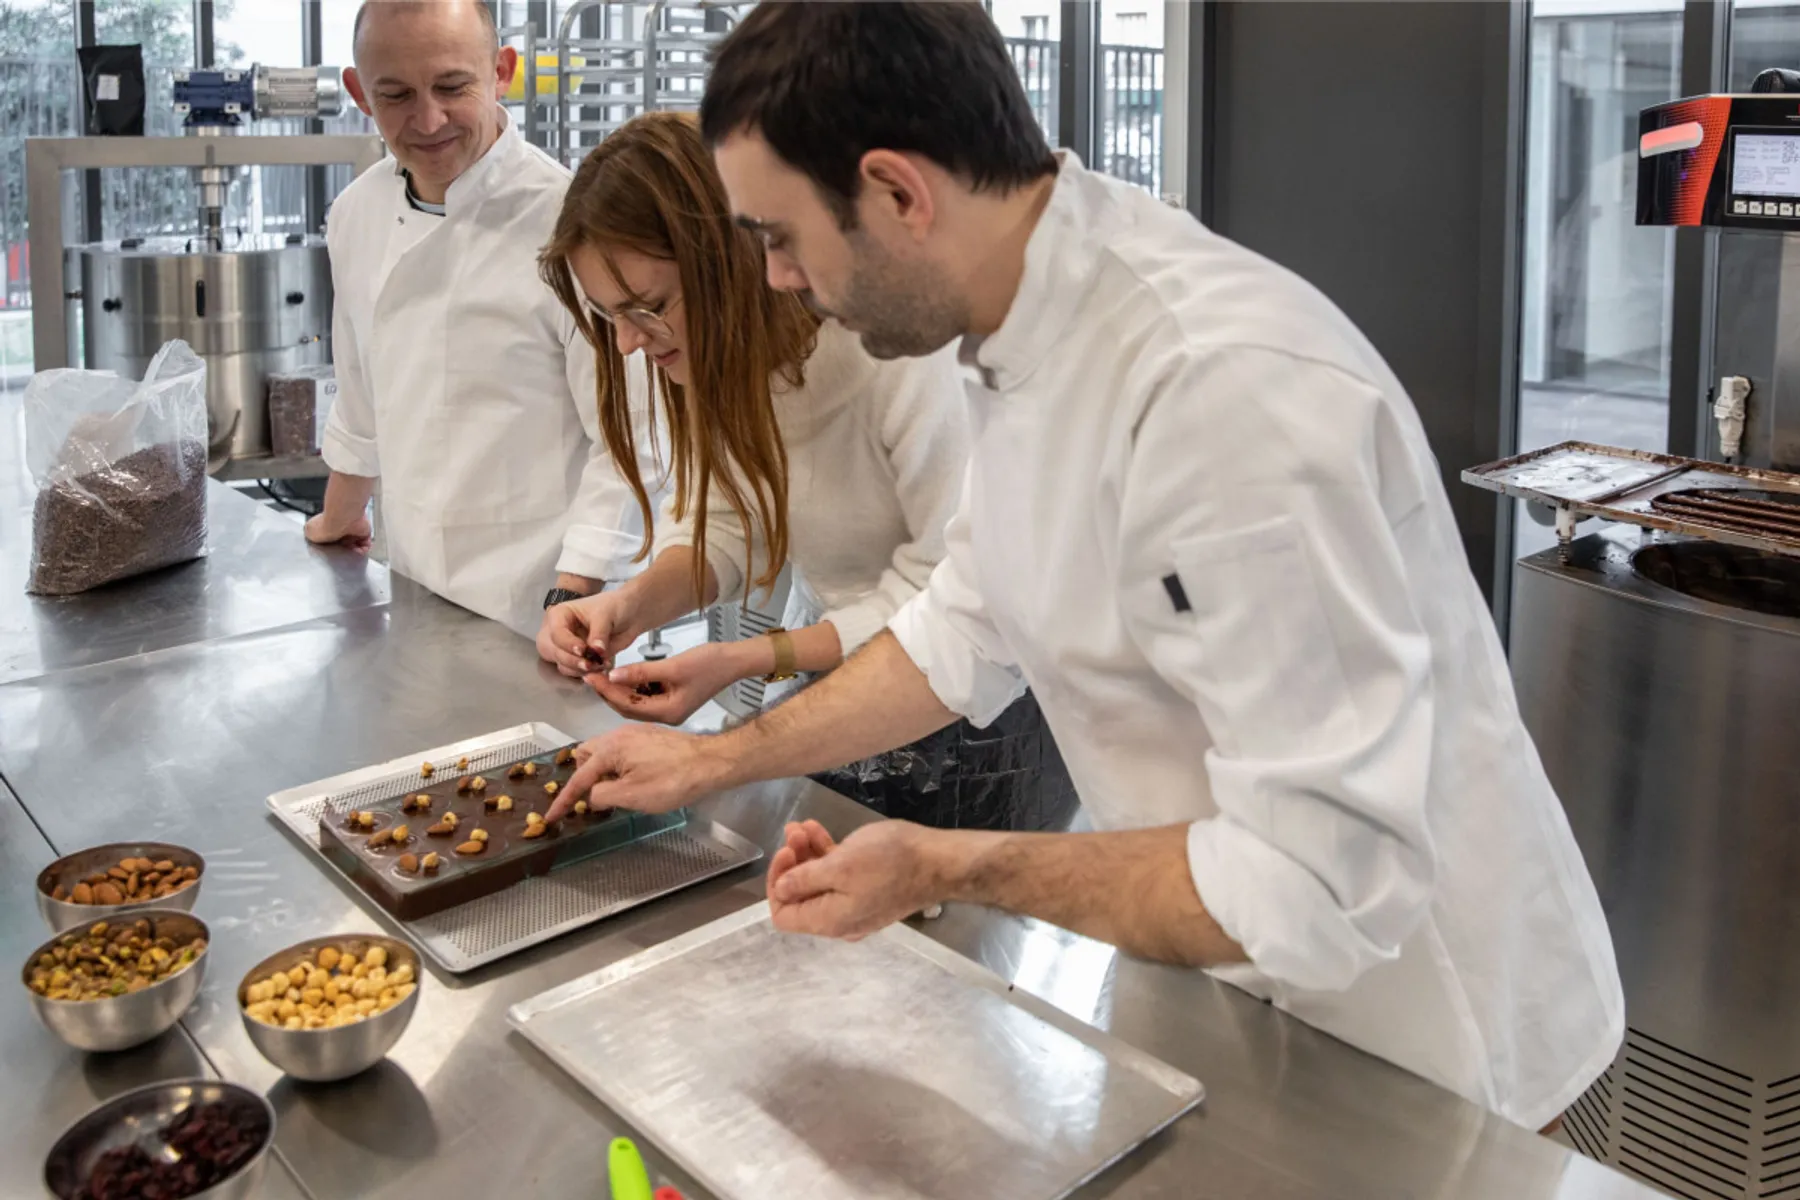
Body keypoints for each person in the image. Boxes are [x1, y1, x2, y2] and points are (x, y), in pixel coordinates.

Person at [549, 1, 1625, 1132]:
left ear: (899, 193)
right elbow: (963, 626)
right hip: (1243, 990)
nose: (769, 279)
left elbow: (1323, 879)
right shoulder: (1013, 337)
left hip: (1440, 1053)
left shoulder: (1216, 394)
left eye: (778, 236)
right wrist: (710, 766)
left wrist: (946, 866)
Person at [535, 111, 1075, 833]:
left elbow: (950, 603)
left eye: (650, 307)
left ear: (729, 260)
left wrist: (747, 658)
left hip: (986, 723)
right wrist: (630, 607)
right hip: (850, 683)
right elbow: (733, 520)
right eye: (613, 317)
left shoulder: (897, 346)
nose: (631, 342)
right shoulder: (711, 355)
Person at [306, 0, 653, 638]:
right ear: (359, 93)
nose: (428, 119)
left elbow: (628, 440)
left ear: (501, 72)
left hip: (535, 606)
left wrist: (568, 603)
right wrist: (336, 521)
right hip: (408, 586)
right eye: (396, 95)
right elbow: (360, 396)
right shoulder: (356, 214)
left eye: (451, 87)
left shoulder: (568, 223)